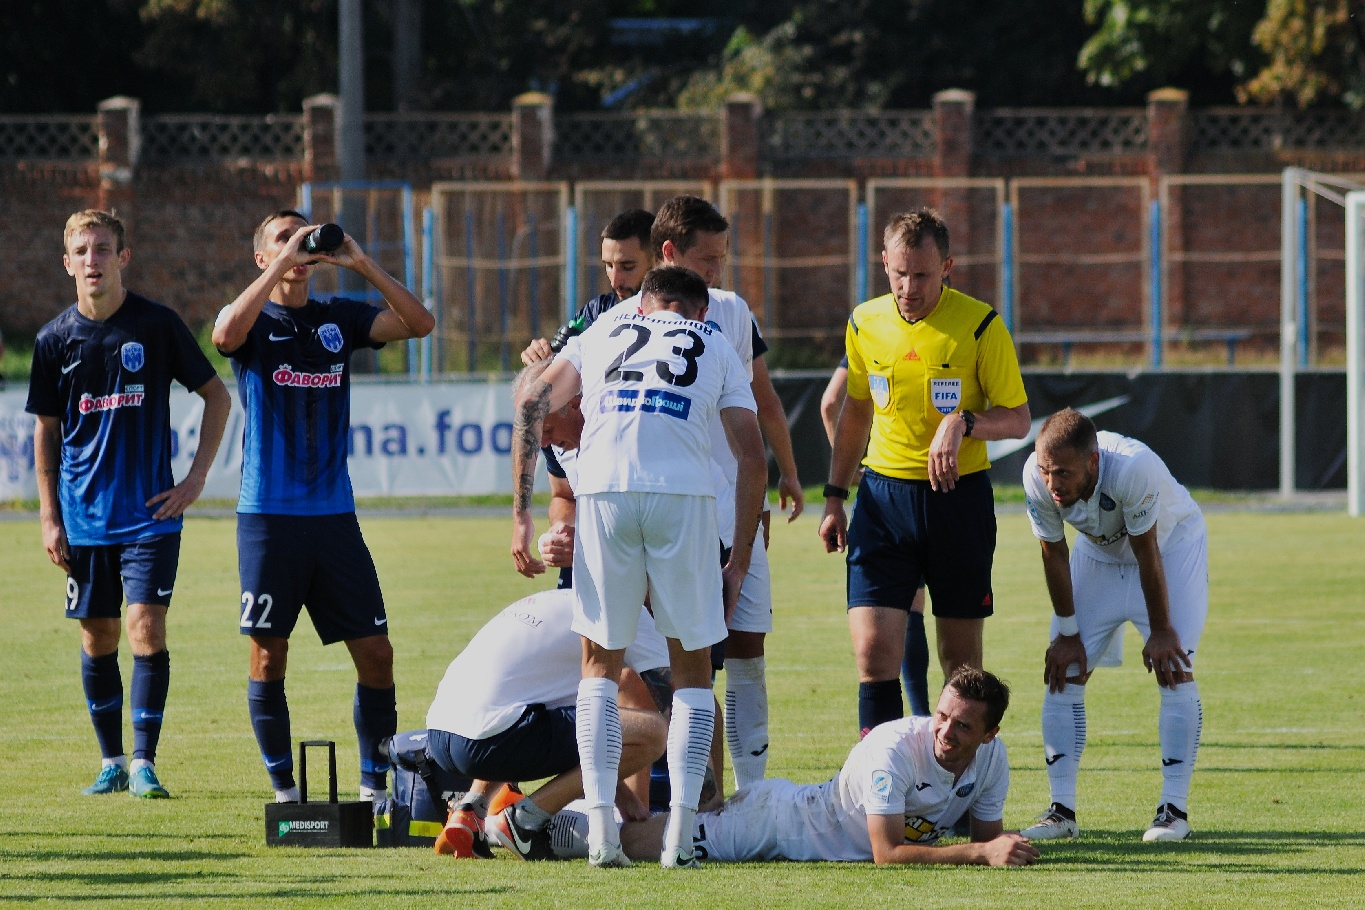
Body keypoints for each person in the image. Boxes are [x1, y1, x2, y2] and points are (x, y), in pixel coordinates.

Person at [525, 196, 804, 791]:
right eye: (709, 259)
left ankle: (741, 795)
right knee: (671, 665)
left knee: (736, 652)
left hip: (715, 505)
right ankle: (673, 807)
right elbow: (541, 405)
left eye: (723, 258)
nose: (718, 270)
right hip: (680, 507)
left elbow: (760, 406)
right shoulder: (604, 321)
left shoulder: (731, 311)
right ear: (671, 254)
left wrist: (779, 484)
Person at [511, 265, 767, 869]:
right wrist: (739, 562)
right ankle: (679, 836)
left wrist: (521, 514)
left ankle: (602, 833)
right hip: (682, 495)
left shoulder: (604, 329)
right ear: (699, 312)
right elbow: (752, 458)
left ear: (644, 305)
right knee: (693, 671)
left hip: (604, 491)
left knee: (599, 667)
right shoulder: (716, 342)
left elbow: (532, 400)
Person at [211, 209, 434, 805]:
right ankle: (285, 793)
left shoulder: (339, 317)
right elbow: (224, 337)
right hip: (268, 518)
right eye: (283, 239)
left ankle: (373, 789)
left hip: (334, 518)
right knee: (268, 655)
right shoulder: (253, 317)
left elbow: (420, 324)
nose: (298, 246)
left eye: (303, 235)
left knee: (377, 654)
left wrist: (361, 263)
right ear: (262, 256)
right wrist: (282, 264)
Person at [27, 209, 232, 798]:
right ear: (67, 264)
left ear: (123, 258)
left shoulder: (157, 325)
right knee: (99, 636)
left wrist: (195, 480)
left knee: (145, 626)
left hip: (150, 516)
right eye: (82, 251)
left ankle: (144, 762)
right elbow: (46, 430)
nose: (92, 260)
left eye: (102, 249)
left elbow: (217, 396)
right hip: (84, 518)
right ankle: (111, 762)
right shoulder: (53, 340)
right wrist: (49, 516)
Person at [820, 208, 1029, 739]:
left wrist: (963, 422)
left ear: (947, 268)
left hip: (957, 502)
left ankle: (959, 782)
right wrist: (835, 496)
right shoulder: (864, 322)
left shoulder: (980, 325)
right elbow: (856, 411)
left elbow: (1018, 418)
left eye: (922, 275)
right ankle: (884, 781)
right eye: (900, 274)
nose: (909, 288)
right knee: (873, 653)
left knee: (961, 666)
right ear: (884, 263)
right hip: (883, 502)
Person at [551, 667, 1038, 867]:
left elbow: (988, 836)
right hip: (775, 823)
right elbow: (887, 853)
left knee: (660, 831)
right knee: (646, 843)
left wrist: (998, 847)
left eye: (963, 727)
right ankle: (545, 823)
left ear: (990, 734)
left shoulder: (993, 760)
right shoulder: (894, 748)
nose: (945, 732)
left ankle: (560, 815)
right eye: (942, 716)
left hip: (790, 811)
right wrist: (980, 853)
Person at [1019, 408, 1208, 843]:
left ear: (1093, 462)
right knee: (1063, 670)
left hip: (1170, 547)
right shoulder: (1036, 475)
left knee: (1175, 667)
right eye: (1046, 470)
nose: (1052, 483)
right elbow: (1053, 552)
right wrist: (1068, 633)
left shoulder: (1133, 468)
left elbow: (1146, 550)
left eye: (1063, 473)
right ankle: (1061, 813)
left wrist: (1161, 630)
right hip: (1099, 552)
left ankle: (1173, 812)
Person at [426, 588, 668, 859]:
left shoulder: (566, 599)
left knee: (519, 708)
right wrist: (701, 800)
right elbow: (675, 706)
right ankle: (523, 821)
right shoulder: (633, 613)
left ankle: (471, 809)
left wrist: (622, 794)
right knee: (653, 733)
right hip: (489, 740)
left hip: (439, 736)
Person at [820, 356, 930, 718]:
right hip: (921, 482)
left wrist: (851, 468)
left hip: (880, 490)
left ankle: (907, 724)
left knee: (895, 612)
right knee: (917, 608)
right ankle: (923, 715)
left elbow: (830, 403)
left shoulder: (867, 334)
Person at [521, 208, 656, 366]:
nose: (615, 282)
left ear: (657, 260)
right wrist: (540, 355)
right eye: (609, 266)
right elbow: (558, 355)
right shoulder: (597, 311)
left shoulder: (677, 312)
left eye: (627, 267)